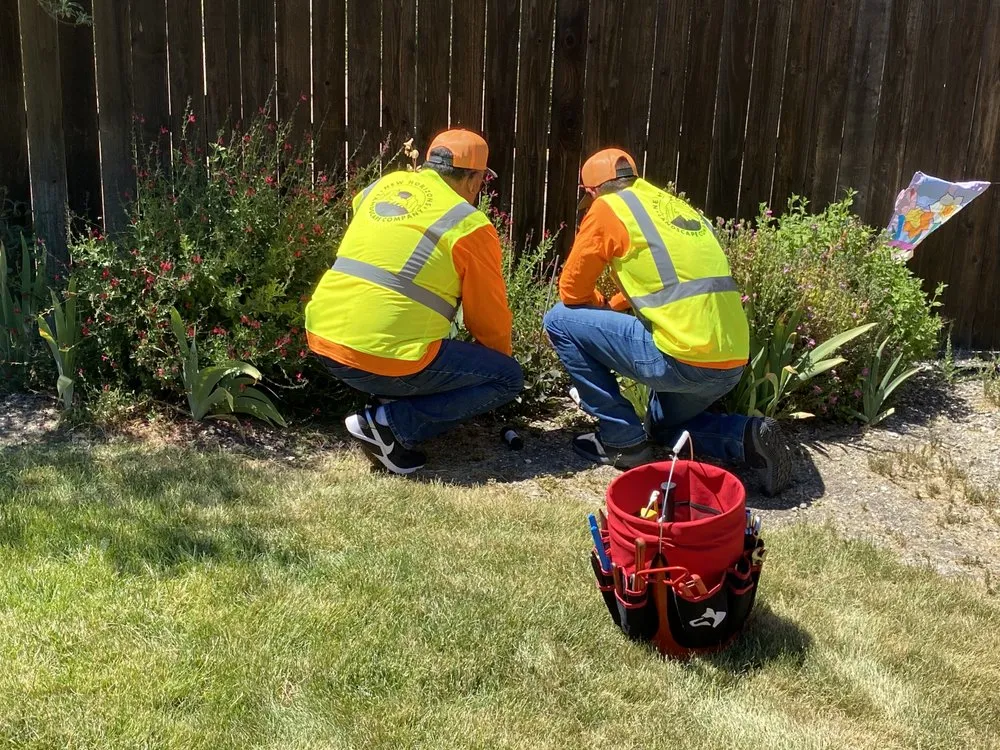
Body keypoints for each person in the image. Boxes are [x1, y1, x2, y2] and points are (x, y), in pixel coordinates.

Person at [543, 148, 791, 495]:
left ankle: (622, 442)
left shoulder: (608, 207)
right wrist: (616, 306)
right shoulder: (675, 207)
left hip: (680, 358)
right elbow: (670, 288)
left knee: (559, 320)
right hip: (729, 363)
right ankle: (746, 436)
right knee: (662, 428)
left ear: (590, 192)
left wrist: (599, 308)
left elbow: (571, 292)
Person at [305, 129, 523, 475]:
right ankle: (388, 426)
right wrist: (494, 363)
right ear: (473, 179)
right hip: (382, 357)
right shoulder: (470, 225)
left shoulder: (381, 186)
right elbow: (489, 320)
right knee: (506, 378)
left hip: (323, 338)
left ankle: (389, 398)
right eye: (481, 180)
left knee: (417, 334)